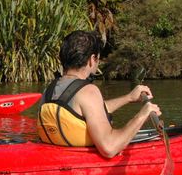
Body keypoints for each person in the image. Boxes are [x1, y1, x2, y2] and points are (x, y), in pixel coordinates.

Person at [37, 30, 162, 159]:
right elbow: (109, 148)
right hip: (81, 166)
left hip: (60, 159)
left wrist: (129, 98)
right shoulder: (89, 91)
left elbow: (85, 112)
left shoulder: (49, 91)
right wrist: (141, 116)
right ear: (92, 59)